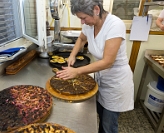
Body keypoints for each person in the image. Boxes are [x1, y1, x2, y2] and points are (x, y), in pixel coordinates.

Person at [56, 0, 134, 133]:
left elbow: (108, 61)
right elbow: (81, 39)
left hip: (116, 81)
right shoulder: (89, 25)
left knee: (108, 125)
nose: (82, 22)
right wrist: (72, 55)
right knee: (101, 115)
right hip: (101, 76)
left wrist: (77, 71)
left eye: (83, 18)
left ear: (96, 9)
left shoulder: (115, 25)